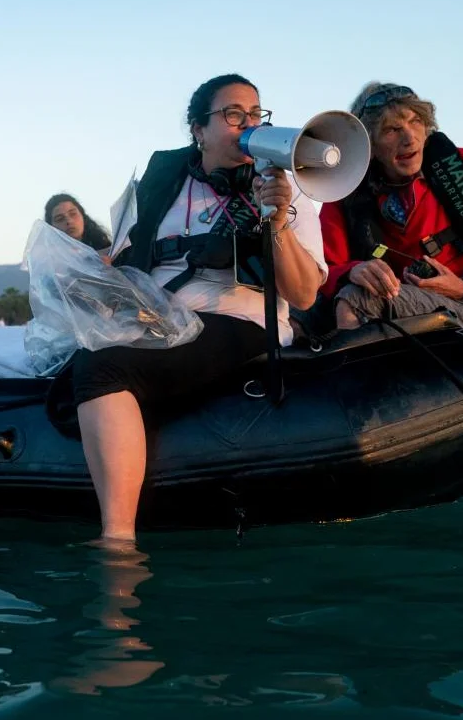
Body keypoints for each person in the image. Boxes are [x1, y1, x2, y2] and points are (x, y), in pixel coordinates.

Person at [72, 74, 328, 542]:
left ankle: (118, 540)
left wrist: (277, 222)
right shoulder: (160, 190)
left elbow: (304, 295)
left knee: (101, 368)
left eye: (256, 114)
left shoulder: (286, 189)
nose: (248, 124)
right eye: (233, 114)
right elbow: (125, 265)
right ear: (198, 130)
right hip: (160, 324)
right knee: (76, 365)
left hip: (242, 322)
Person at [319, 83, 463, 334]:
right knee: (302, 314)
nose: (409, 138)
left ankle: (360, 362)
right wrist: (351, 271)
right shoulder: (349, 186)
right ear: (370, 145)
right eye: (392, 130)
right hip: (392, 299)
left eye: (416, 122)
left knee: (355, 300)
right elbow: (322, 269)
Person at [45, 193, 113, 261]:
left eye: (73, 214)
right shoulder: (48, 261)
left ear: (82, 216)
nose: (69, 221)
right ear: (51, 227)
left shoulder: (109, 251)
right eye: (60, 219)